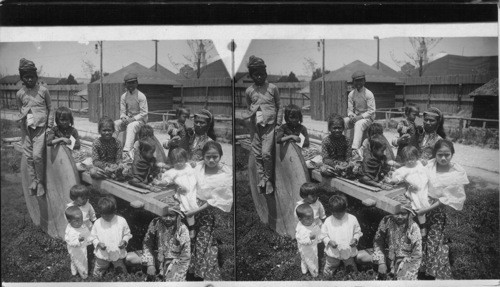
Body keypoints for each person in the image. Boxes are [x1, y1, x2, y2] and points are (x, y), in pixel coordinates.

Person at [419, 140, 469, 279]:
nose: (443, 158)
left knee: (434, 239)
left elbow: (447, 198)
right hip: (423, 203)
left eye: (447, 155)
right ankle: (418, 264)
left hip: (438, 209)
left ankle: (430, 269)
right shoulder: (430, 165)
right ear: (435, 154)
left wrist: (425, 210)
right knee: (419, 235)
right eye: (440, 154)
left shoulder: (456, 172)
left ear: (452, 154)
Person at [189, 141, 233, 281]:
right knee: (189, 238)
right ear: (203, 156)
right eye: (208, 157)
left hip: (210, 211)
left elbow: (217, 200)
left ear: (220, 156)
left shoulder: (225, 173)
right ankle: (190, 267)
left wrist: (194, 211)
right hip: (193, 207)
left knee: (205, 240)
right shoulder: (198, 168)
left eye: (215, 156)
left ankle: (204, 272)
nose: (212, 160)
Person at [244, 55, 282, 194]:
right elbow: (249, 107)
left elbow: (279, 106)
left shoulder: (272, 88)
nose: (259, 77)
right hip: (256, 127)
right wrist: (249, 120)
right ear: (251, 76)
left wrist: (278, 123)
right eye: (256, 75)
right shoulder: (249, 91)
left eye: (262, 74)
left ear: (266, 74)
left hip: (270, 126)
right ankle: (262, 180)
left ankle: (269, 179)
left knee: (266, 153)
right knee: (257, 154)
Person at [125, 202, 191, 281]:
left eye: (171, 216)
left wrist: (179, 273)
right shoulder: (156, 222)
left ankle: (166, 274)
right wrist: (150, 264)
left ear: (177, 215)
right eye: (165, 215)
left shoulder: (182, 229)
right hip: (159, 256)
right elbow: (147, 243)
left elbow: (185, 256)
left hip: (173, 261)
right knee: (128, 258)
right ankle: (150, 269)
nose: (168, 219)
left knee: (172, 282)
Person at [16, 58, 54, 196]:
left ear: (36, 77)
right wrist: (23, 122)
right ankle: (34, 181)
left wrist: (49, 126)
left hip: (41, 128)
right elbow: (20, 110)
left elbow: (50, 108)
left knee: (37, 156)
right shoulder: (20, 94)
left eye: (32, 77)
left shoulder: (43, 91)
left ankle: (41, 182)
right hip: (27, 130)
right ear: (22, 79)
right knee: (28, 156)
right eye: (26, 77)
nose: (30, 80)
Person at [356, 205, 422, 280]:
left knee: (402, 279)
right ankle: (383, 268)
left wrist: (408, 270)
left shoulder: (413, 227)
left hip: (405, 260)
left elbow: (417, 254)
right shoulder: (386, 220)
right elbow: (378, 241)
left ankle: (395, 273)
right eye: (397, 213)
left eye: (403, 214)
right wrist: (381, 262)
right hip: (389, 255)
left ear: (409, 214)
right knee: (359, 256)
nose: (400, 217)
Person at [386, 146, 430, 236]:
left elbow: (428, 165)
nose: (410, 161)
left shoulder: (419, 163)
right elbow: (397, 178)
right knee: (419, 207)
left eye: (412, 159)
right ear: (404, 160)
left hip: (425, 187)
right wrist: (392, 180)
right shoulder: (404, 170)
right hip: (415, 191)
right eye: (407, 160)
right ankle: (422, 227)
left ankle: (426, 222)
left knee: (428, 204)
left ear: (416, 158)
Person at [157, 148, 198, 238]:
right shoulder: (173, 172)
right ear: (172, 162)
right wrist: (161, 182)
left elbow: (194, 165)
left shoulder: (188, 165)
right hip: (184, 192)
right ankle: (191, 227)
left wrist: (194, 163)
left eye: (181, 161)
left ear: (185, 160)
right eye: (176, 162)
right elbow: (167, 180)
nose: (179, 163)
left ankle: (191, 222)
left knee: (195, 200)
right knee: (188, 206)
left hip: (194, 188)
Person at [91, 196, 132, 277]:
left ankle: (123, 279)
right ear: (100, 212)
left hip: (117, 252)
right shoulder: (97, 223)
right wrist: (98, 244)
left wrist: (124, 241)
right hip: (103, 254)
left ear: (115, 211)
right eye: (103, 215)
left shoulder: (121, 221)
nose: (106, 217)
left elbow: (127, 234)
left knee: (120, 269)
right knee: (99, 269)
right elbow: (93, 237)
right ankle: (96, 279)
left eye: (109, 215)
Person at [321, 195, 362, 276]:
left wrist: (355, 239)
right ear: (331, 211)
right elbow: (323, 235)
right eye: (334, 213)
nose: (337, 215)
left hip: (347, 251)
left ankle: (354, 278)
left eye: (340, 213)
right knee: (330, 266)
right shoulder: (328, 221)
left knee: (351, 267)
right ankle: (326, 278)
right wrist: (329, 241)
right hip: (333, 252)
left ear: (345, 209)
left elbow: (357, 232)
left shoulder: (352, 219)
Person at [114, 73, 149, 159]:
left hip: (140, 121)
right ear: (125, 84)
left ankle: (126, 151)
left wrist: (132, 119)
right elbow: (122, 111)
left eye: (133, 83)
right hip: (129, 118)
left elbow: (144, 113)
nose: (131, 85)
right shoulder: (124, 96)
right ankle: (112, 146)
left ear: (137, 83)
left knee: (131, 126)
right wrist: (123, 118)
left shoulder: (141, 96)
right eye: (128, 83)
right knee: (115, 123)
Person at [343, 70, 376, 157]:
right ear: (353, 82)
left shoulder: (368, 94)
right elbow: (350, 109)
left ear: (364, 81)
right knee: (343, 121)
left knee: (358, 124)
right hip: (356, 116)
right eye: (356, 81)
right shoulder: (351, 94)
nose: (358, 83)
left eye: (360, 80)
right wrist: (351, 116)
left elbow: (371, 111)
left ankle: (355, 149)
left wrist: (359, 117)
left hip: (368, 118)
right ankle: (342, 145)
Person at [295, 204, 323, 278]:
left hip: (308, 247)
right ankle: (315, 274)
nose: (311, 219)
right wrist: (310, 239)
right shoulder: (301, 229)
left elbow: (317, 230)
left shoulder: (311, 223)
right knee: (312, 260)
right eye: (308, 218)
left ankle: (304, 269)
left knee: (304, 258)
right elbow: (301, 240)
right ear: (300, 219)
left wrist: (320, 238)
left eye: (312, 217)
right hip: (308, 249)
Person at [64, 206, 92, 279]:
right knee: (81, 262)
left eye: (81, 218)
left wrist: (91, 239)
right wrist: (78, 240)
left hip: (80, 248)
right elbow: (71, 243)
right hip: (77, 251)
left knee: (73, 260)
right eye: (76, 220)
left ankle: (74, 271)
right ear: (69, 221)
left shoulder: (81, 225)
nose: (80, 221)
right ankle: (84, 275)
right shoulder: (71, 231)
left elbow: (87, 233)